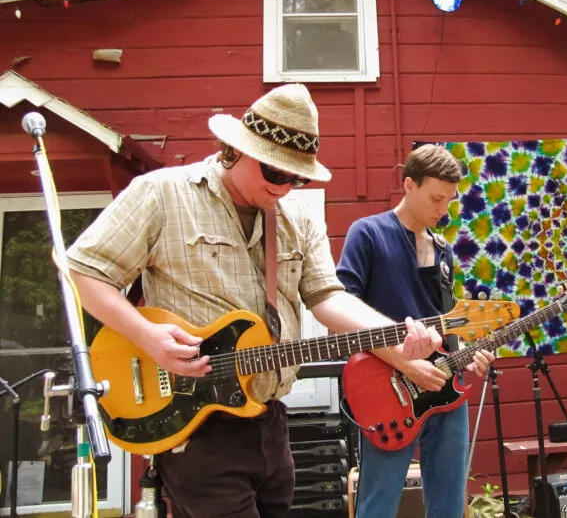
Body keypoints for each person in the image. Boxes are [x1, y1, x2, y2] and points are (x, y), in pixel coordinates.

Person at [65, 84, 442, 518]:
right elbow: (84, 271)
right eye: (275, 173)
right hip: (196, 426)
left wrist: (395, 335)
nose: (285, 187)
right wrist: (148, 337)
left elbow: (327, 296)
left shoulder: (298, 214)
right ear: (235, 150)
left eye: (297, 176)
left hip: (270, 421)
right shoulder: (162, 193)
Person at [336, 143, 495, 518]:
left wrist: (469, 353)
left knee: (450, 503)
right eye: (437, 199)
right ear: (409, 185)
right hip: (388, 388)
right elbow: (342, 313)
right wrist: (405, 365)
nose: (444, 210)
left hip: (445, 386)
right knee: (378, 502)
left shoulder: (443, 251)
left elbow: (444, 321)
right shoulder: (368, 234)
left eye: (450, 201)